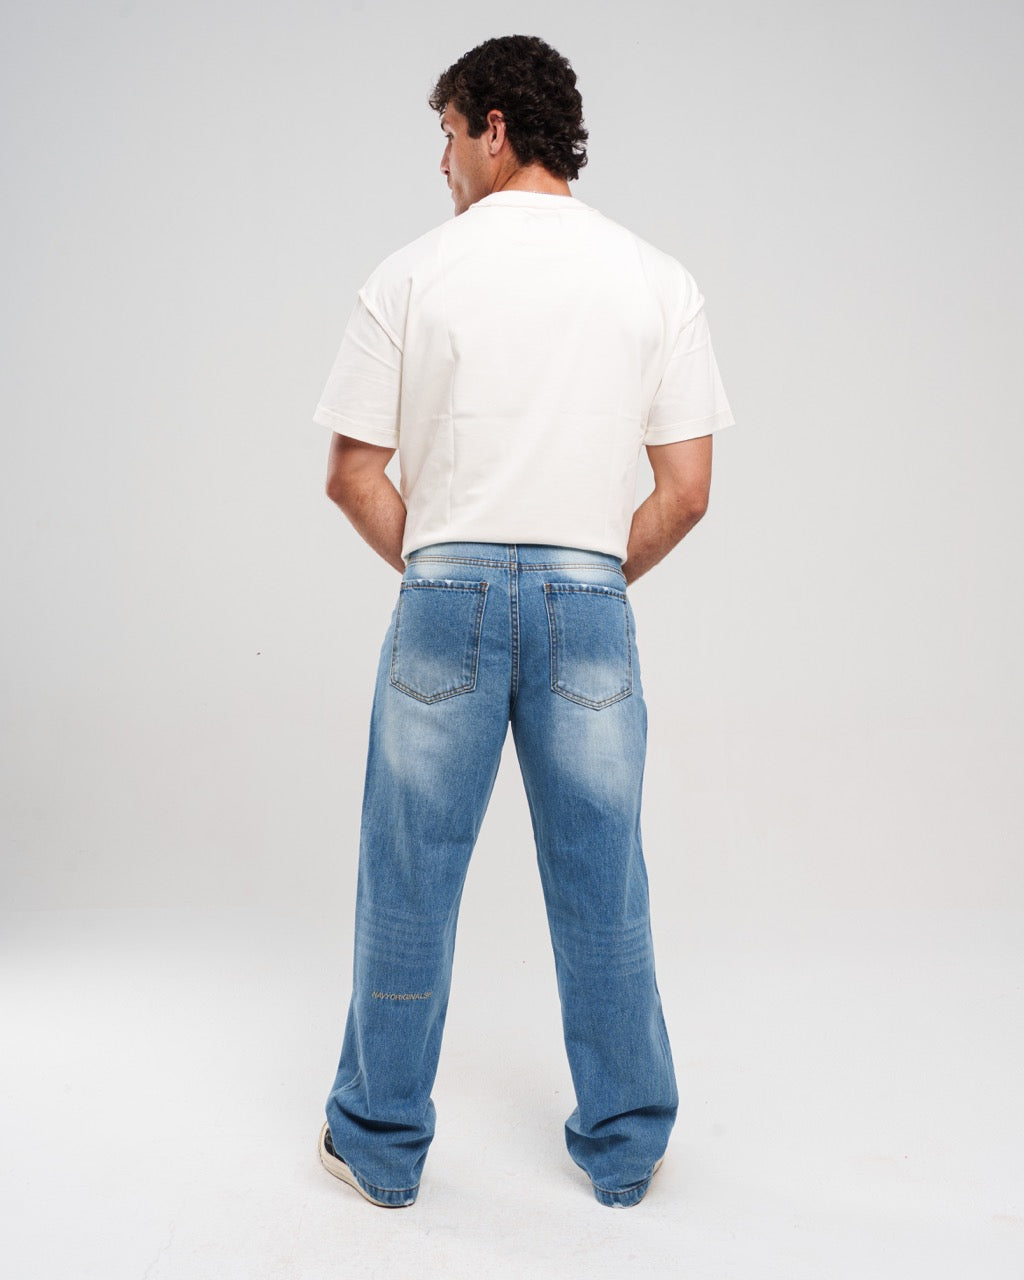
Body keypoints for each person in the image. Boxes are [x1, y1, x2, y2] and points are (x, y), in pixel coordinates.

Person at [311, 34, 735, 1209]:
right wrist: (579, 576)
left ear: (493, 127)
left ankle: (380, 1146)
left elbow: (350, 473)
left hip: (441, 592)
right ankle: (626, 1145)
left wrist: (451, 566)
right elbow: (687, 490)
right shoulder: (655, 278)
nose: (442, 162)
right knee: (604, 882)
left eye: (447, 134)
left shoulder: (411, 274)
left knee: (407, 876)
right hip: (587, 594)